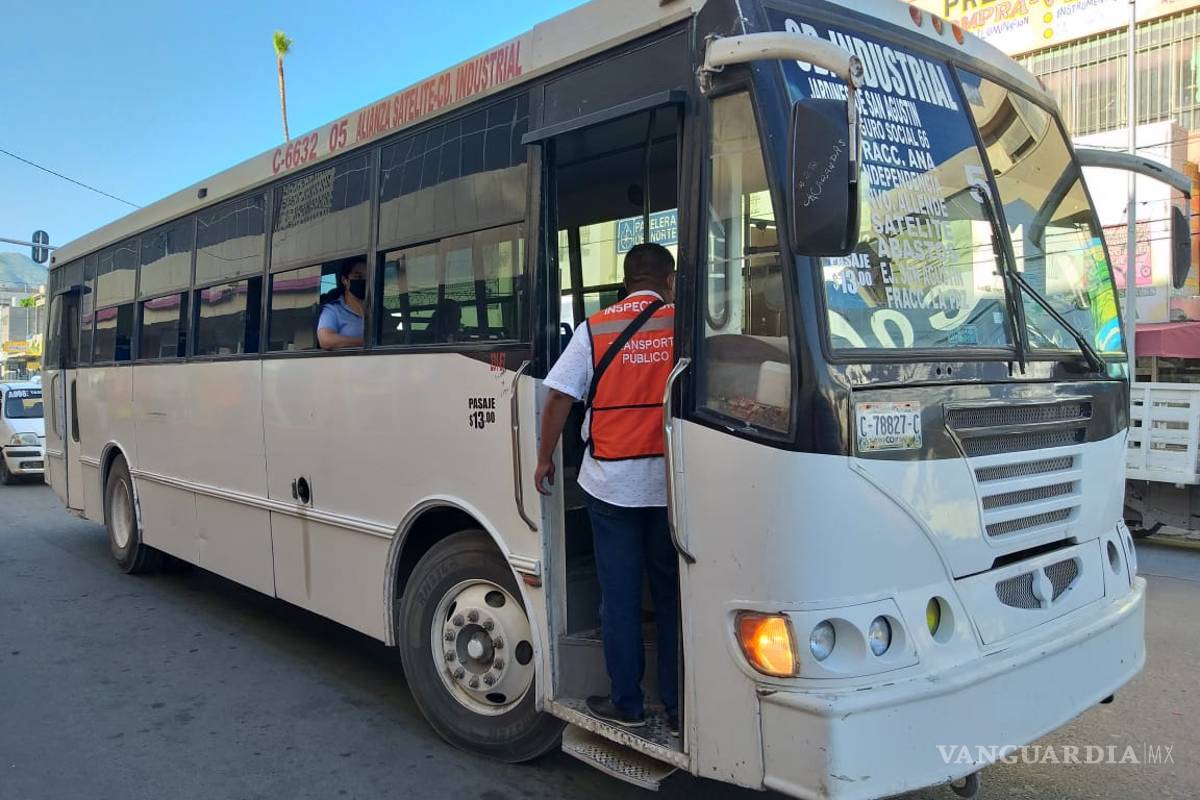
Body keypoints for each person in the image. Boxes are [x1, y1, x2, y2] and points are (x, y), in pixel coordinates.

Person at [534, 242, 680, 735]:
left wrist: (542, 457)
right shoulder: (686, 327)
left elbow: (558, 396)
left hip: (611, 484)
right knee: (671, 593)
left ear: (624, 282)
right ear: (670, 280)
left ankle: (628, 703)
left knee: (618, 597)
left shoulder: (596, 329)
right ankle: (679, 704)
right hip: (674, 487)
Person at [317, 260, 367, 350]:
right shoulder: (332, 310)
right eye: (358, 276)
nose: (363, 281)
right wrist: (366, 342)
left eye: (367, 277)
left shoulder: (376, 310)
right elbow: (326, 340)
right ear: (345, 280)